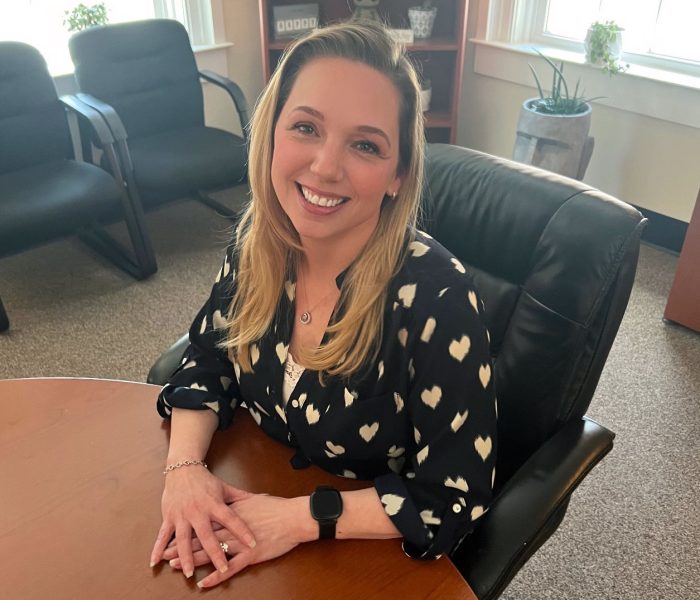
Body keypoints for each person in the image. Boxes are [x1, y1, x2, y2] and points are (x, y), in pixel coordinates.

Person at [149, 20, 497, 589]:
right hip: (251, 494)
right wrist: (184, 471)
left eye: (365, 145)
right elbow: (208, 359)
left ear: (398, 174)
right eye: (306, 127)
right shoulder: (259, 242)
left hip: (363, 557)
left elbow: (455, 496)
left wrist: (300, 518)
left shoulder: (439, 299)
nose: (326, 167)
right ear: (272, 135)